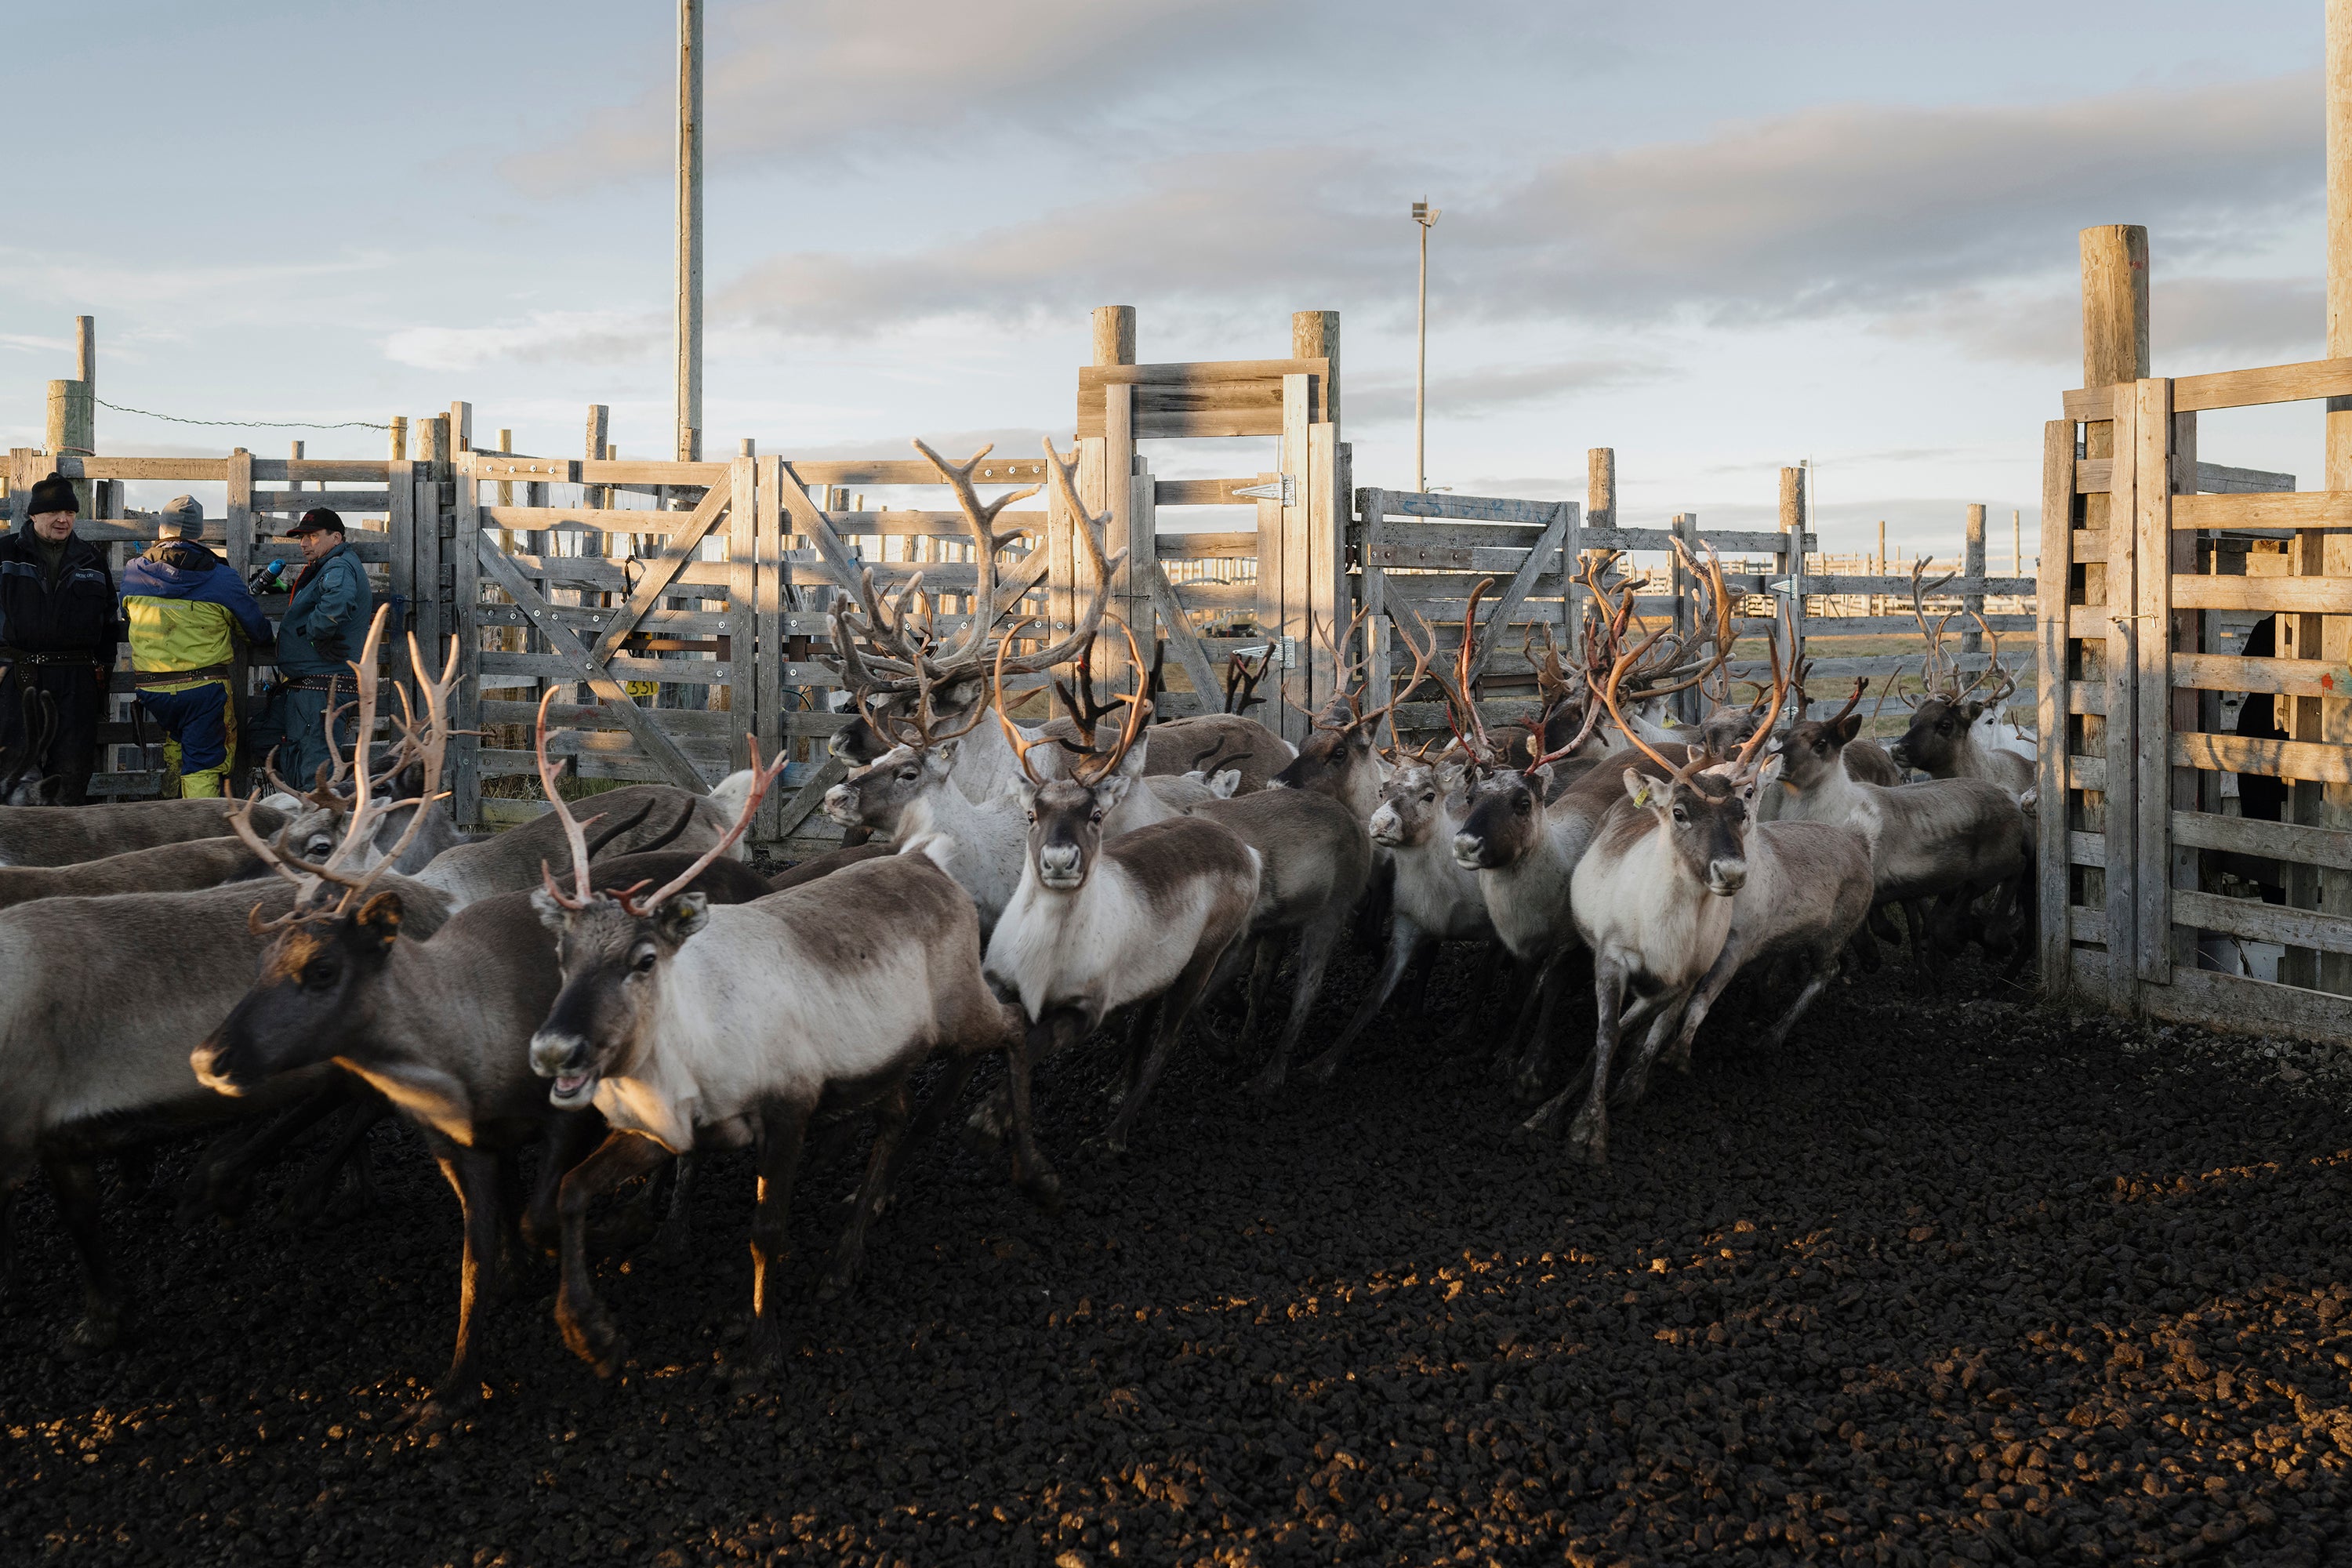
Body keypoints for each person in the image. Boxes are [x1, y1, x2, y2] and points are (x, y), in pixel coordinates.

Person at [121, 496, 273, 799]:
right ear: (199, 533)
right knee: (204, 763)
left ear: (162, 529)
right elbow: (257, 632)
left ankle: (170, 815)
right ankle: (198, 837)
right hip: (203, 691)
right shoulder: (221, 577)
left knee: (177, 747)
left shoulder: (134, 572)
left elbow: (127, 614)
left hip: (152, 691)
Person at [0, 471, 118, 804]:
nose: (63, 519)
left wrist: (102, 675)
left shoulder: (92, 559)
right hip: (15, 677)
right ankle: (16, 853)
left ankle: (63, 853)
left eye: (70, 512)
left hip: (75, 680)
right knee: (13, 773)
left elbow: (109, 621)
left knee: (71, 771)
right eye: (54, 512)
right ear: (34, 514)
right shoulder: (5, 554)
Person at [269, 507, 373, 791]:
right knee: (304, 763)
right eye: (302, 538)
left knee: (315, 774)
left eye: (313, 537)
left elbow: (338, 599)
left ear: (336, 537)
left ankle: (319, 830)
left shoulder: (338, 566)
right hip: (316, 688)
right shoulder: (331, 566)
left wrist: (317, 634)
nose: (304, 544)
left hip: (321, 690)